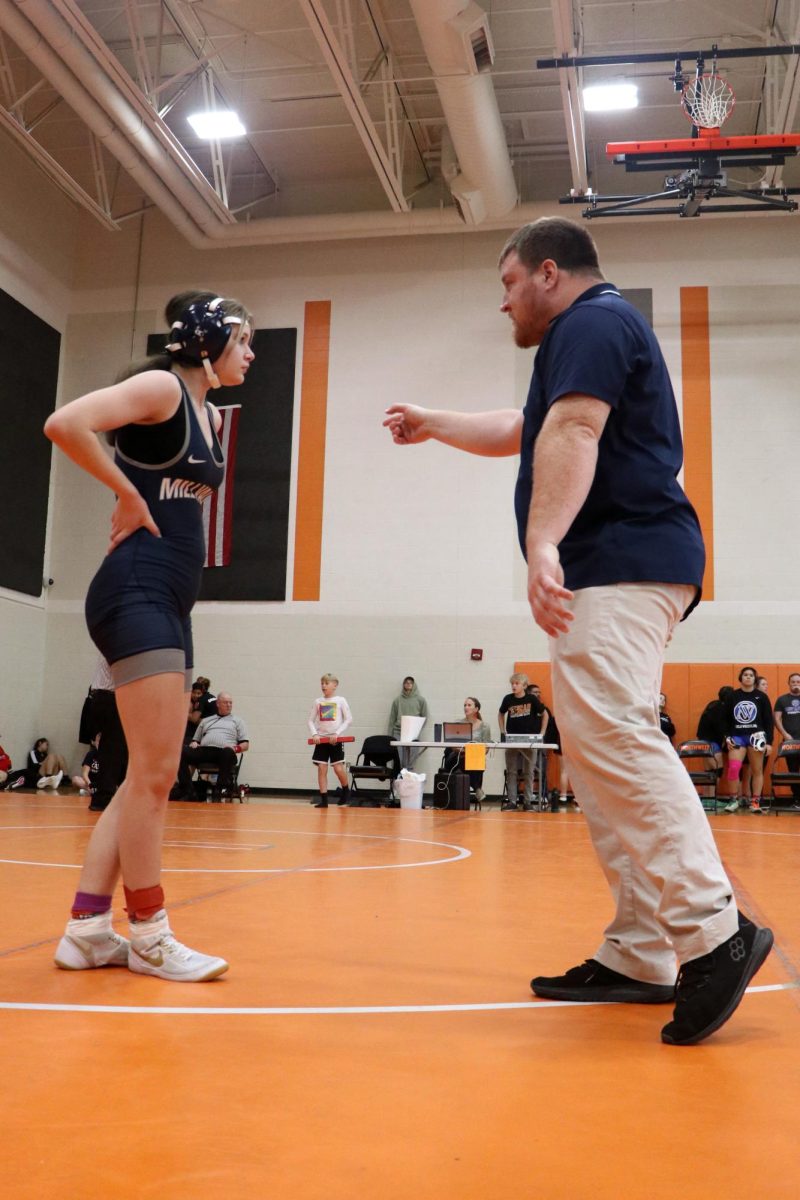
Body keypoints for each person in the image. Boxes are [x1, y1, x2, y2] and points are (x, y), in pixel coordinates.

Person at [383, 215, 772, 1046]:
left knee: (618, 737)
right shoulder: (588, 336)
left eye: (509, 283)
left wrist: (542, 543)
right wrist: (435, 422)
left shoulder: (592, 321)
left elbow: (573, 432)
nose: (504, 303)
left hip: (622, 558)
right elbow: (529, 429)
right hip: (622, 561)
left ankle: (714, 932)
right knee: (595, 756)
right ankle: (641, 950)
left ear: (549, 273)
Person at [44, 289, 254, 982]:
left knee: (143, 776)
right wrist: (127, 495)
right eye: (243, 341)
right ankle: (152, 935)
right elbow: (65, 422)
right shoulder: (163, 386)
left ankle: (86, 930)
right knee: (158, 775)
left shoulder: (207, 410)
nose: (250, 354)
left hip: (164, 598)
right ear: (207, 342)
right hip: (135, 590)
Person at [174, 692, 249, 801]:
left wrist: (234, 748)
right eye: (225, 702)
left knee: (227, 753)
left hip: (225, 752)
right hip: (205, 750)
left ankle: (220, 790)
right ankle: (187, 789)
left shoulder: (237, 721)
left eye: (230, 703)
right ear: (218, 704)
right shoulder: (206, 720)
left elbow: (245, 744)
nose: (228, 705)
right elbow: (196, 739)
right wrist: (194, 742)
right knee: (181, 751)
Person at [722, 666, 774, 814]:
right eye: (745, 674)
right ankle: (733, 800)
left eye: (751, 675)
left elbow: (768, 721)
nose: (748, 677)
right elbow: (725, 720)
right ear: (741, 678)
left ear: (754, 679)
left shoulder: (762, 697)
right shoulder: (732, 696)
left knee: (757, 771)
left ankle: (755, 802)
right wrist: (727, 737)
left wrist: (769, 742)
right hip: (737, 737)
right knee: (733, 768)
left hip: (756, 737)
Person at [497, 672, 544, 810]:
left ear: (524, 685)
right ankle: (512, 801)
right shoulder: (508, 699)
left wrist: (542, 733)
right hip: (512, 738)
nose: (514, 686)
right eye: (512, 683)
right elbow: (500, 713)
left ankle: (527, 802)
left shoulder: (532, 699)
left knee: (529, 771)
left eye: (517, 683)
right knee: (511, 771)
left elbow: (544, 714)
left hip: (529, 739)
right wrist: (502, 730)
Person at [309, 674, 353, 808]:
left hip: (335, 740)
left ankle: (346, 790)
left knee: (338, 769)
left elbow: (349, 719)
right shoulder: (318, 702)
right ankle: (324, 800)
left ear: (335, 685)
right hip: (321, 740)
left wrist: (337, 733)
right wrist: (315, 734)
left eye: (327, 683)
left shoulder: (341, 700)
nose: (323, 686)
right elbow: (310, 720)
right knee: (322, 769)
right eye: (322, 683)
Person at [443, 697, 491, 802]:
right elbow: (451, 744)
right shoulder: (458, 723)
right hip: (457, 756)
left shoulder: (484, 726)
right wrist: (461, 751)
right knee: (464, 759)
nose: (466, 707)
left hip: (474, 758)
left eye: (469, 705)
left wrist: (472, 751)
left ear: (476, 709)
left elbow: (486, 748)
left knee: (472, 760)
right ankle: (477, 788)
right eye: (465, 705)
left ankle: (475, 787)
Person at [696, 685, 735, 803]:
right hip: (712, 742)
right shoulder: (722, 709)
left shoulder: (712, 705)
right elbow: (721, 728)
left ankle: (706, 798)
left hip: (702, 741)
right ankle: (712, 798)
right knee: (717, 770)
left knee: (708, 772)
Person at [387, 676, 429, 765]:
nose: (408, 684)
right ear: (403, 685)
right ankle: (398, 777)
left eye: (410, 682)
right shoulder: (397, 701)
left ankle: (408, 777)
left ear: (413, 685)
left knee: (410, 761)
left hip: (413, 734)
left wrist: (417, 729)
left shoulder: (421, 700)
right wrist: (389, 737)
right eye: (406, 682)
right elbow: (392, 720)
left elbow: (424, 717)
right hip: (398, 733)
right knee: (398, 760)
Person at [773, 672, 800, 807]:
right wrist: (785, 734)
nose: (796, 684)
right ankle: (797, 798)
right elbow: (777, 719)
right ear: (789, 684)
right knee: (793, 770)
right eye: (793, 682)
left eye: (798, 682)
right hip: (791, 742)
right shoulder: (782, 700)